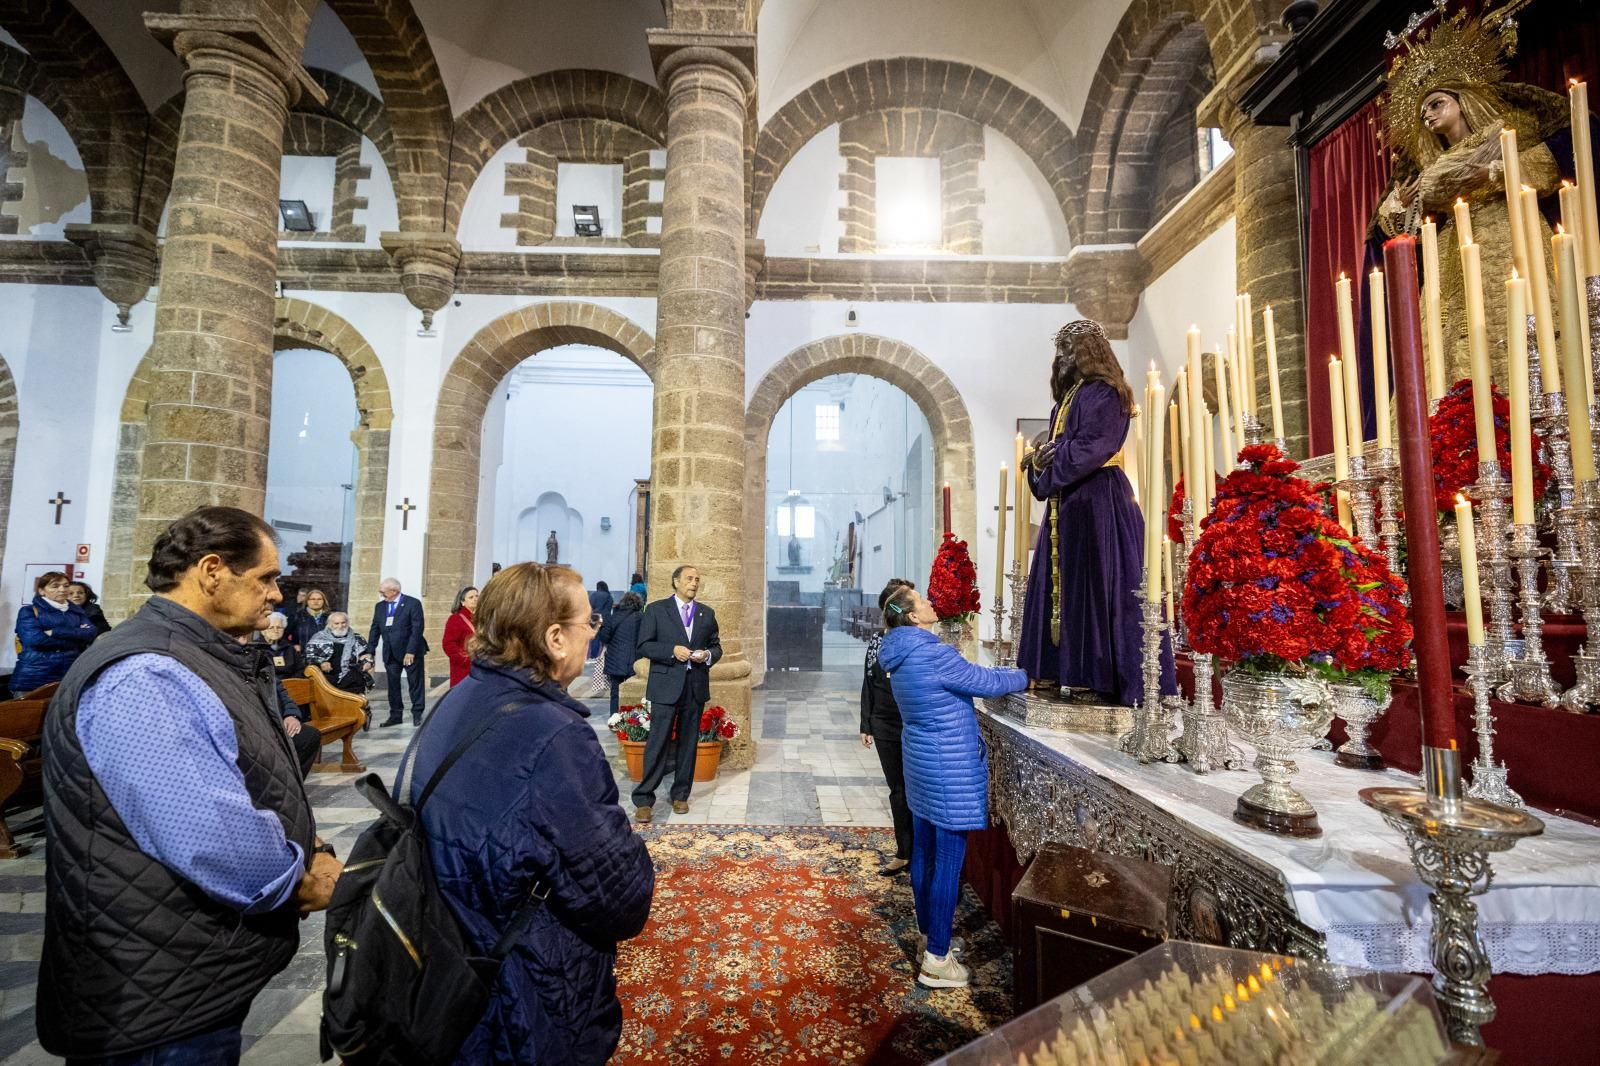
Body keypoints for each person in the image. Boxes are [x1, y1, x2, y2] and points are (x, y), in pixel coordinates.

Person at [35, 506, 340, 1060]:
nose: (277, 595)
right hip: (153, 993)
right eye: (267, 578)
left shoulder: (198, 655)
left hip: (182, 970)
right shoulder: (147, 673)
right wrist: (297, 876)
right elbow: (209, 835)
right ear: (212, 570)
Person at [402, 562, 654, 1064]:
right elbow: (622, 895)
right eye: (589, 624)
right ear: (556, 637)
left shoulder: (459, 699)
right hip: (522, 988)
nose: (593, 635)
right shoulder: (554, 735)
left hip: (448, 957)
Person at [1374, 10, 1569, 385]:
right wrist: (1402, 202)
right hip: (1448, 252)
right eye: (1423, 111)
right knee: (1447, 337)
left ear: (1461, 101)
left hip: (1504, 231)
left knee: (1511, 317)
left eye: (1436, 104)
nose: (1428, 115)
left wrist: (1492, 173)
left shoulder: (1501, 135)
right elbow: (1397, 224)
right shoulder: (1429, 166)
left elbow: (1545, 166)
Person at [876, 584, 1027, 989]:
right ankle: (937, 961)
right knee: (948, 860)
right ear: (912, 616)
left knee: (924, 851)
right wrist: (1026, 674)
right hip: (949, 766)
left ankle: (930, 936)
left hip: (922, 762)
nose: (930, 603)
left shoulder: (897, 652)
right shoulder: (932, 652)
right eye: (922, 601)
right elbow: (985, 682)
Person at [1018, 320, 1176, 707]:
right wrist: (1040, 461)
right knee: (1064, 588)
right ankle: (1058, 670)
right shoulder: (1066, 398)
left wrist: (1049, 460)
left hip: (1098, 503)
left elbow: (1092, 447)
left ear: (1089, 350)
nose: (1062, 357)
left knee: (1096, 586)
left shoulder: (1106, 393)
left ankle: (1098, 676)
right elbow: (1057, 451)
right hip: (1068, 505)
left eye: (1069, 348)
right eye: (1060, 350)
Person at [631, 565, 721, 822]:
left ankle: (681, 795)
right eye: (689, 578)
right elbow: (644, 645)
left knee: (688, 744)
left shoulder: (706, 613)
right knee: (657, 743)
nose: (694, 583)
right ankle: (644, 799)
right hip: (665, 687)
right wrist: (672, 651)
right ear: (676, 582)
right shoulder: (657, 610)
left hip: (695, 687)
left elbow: (716, 646)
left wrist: (708, 655)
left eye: (697, 579)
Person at [860, 578, 916, 877]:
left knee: (915, 789)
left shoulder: (916, 642)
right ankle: (904, 851)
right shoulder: (878, 641)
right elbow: (869, 679)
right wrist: (865, 721)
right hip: (884, 722)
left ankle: (919, 851)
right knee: (897, 789)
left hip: (912, 720)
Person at [245, 632, 322, 780]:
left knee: (309, 736)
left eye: (244, 636)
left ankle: (293, 783)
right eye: (237, 636)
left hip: (275, 720)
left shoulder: (260, 659)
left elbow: (281, 692)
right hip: (252, 724)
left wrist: (291, 715)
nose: (243, 640)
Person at [11, 571, 99, 696]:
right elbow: (35, 640)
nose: (62, 589)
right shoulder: (29, 611)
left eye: (66, 585)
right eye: (55, 586)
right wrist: (76, 637)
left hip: (68, 675)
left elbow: (91, 633)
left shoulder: (76, 611)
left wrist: (55, 632)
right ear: (42, 591)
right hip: (34, 676)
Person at [366, 577, 428, 726]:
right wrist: (370, 651)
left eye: (383, 592)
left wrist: (410, 651)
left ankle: (417, 713)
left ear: (394, 591)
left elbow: (417, 629)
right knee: (393, 685)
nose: (382, 595)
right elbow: (375, 629)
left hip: (410, 651)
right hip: (390, 652)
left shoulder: (412, 603)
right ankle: (395, 715)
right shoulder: (380, 606)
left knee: (415, 683)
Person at [598, 591, 644, 717]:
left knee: (615, 692)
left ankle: (615, 718)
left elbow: (605, 638)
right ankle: (633, 719)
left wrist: (601, 628)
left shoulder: (614, 617)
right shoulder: (641, 617)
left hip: (615, 660)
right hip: (635, 660)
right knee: (633, 691)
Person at [305, 612, 373, 695]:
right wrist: (321, 663)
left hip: (351, 676)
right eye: (336, 623)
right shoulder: (318, 638)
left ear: (347, 623)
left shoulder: (357, 638)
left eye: (343, 623)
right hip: (326, 676)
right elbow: (309, 658)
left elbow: (366, 656)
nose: (340, 626)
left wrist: (367, 662)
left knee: (356, 679)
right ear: (330, 624)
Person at [441, 585, 478, 688]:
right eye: (471, 597)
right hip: (463, 669)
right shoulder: (456, 619)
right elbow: (448, 645)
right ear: (462, 602)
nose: (475, 599)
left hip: (480, 667)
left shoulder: (480, 618)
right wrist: (466, 660)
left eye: (477, 596)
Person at [260, 611, 304, 681]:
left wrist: (290, 683)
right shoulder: (256, 648)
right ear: (263, 631)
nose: (276, 630)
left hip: (289, 686)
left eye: (279, 627)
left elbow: (300, 669)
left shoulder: (290, 648)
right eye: (271, 627)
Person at [587, 580, 614, 659]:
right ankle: (603, 657)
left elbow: (589, 606)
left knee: (595, 639)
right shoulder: (609, 596)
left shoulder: (593, 595)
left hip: (595, 618)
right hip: (606, 619)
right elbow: (609, 608)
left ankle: (593, 657)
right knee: (605, 639)